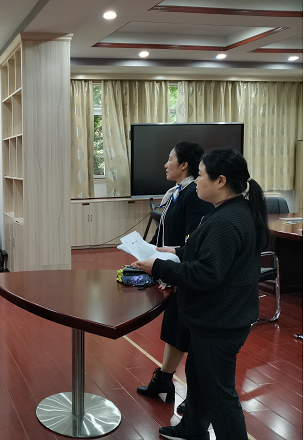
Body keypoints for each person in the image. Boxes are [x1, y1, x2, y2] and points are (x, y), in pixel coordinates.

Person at [133, 149, 269, 440]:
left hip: (219, 322)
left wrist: (159, 267)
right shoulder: (230, 211)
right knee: (197, 380)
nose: (196, 181)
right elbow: (211, 254)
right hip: (214, 318)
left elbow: (206, 274)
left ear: (220, 181)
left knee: (220, 396)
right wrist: (176, 252)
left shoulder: (226, 221)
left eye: (202, 175)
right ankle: (192, 428)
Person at [137, 142, 213, 413]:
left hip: (185, 274)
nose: (165, 164)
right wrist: (147, 252)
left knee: (188, 334)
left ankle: (196, 398)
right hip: (174, 272)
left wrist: (172, 267)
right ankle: (165, 380)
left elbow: (194, 242)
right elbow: (165, 233)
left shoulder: (195, 193)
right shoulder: (177, 192)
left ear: (184, 165)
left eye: (170, 159)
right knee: (174, 328)